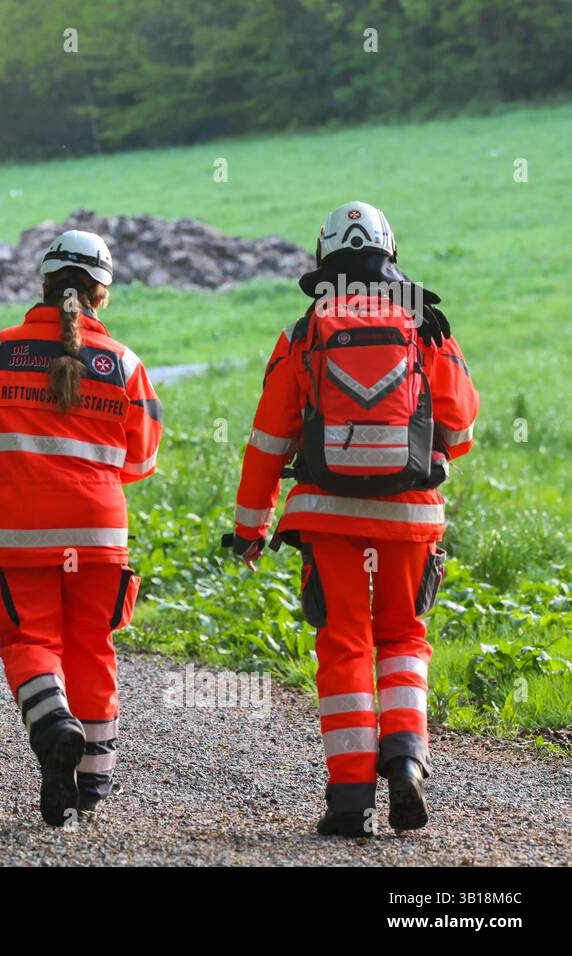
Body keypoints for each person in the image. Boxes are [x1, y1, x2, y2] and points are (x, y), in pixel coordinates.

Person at [227, 201, 479, 837]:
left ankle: (347, 797)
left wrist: (252, 527)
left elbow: (268, 440)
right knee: (402, 637)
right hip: (410, 515)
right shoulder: (426, 323)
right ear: (389, 255)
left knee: (344, 642)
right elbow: (462, 428)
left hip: (328, 514)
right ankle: (406, 762)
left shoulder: (304, 331)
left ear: (325, 259)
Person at [0, 229, 163, 827]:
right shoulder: (124, 363)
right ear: (102, 293)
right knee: (93, 648)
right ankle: (91, 784)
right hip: (98, 536)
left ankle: (51, 724)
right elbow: (141, 462)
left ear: (43, 283)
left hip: (16, 530)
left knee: (29, 642)